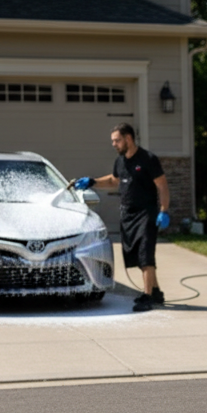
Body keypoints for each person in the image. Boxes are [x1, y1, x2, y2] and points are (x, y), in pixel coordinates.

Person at [75, 123, 170, 312]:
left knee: (145, 256)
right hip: (129, 216)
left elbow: (162, 185)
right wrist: (93, 182)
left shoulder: (148, 159)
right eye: (113, 141)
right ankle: (157, 291)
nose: (114, 144)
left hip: (146, 215)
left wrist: (163, 210)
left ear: (128, 138)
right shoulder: (120, 161)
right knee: (138, 256)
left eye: (117, 140)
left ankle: (148, 296)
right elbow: (114, 180)